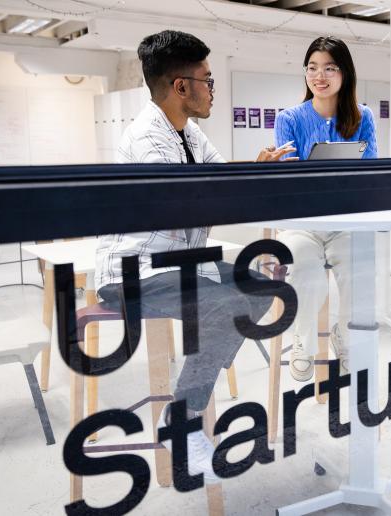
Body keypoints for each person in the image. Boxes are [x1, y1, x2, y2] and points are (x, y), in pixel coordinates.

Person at [95, 30, 295, 482]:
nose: (212, 92)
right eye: (208, 80)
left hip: (181, 263)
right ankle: (182, 423)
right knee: (225, 308)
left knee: (265, 286)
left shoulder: (187, 133)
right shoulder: (149, 141)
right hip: (136, 272)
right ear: (181, 86)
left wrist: (256, 170)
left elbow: (218, 178)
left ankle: (198, 377)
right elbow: (199, 203)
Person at [273, 36, 378, 381]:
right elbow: (287, 180)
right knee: (305, 268)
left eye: (330, 68)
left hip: (345, 220)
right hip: (302, 222)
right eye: (313, 68)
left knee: (361, 268)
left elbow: (371, 170)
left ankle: (344, 340)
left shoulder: (363, 117)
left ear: (344, 73)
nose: (320, 76)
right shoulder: (288, 119)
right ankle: (302, 343)